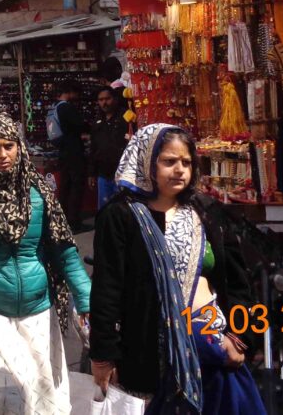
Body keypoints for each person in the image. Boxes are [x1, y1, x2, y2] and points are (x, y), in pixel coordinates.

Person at [90, 124, 264, 414]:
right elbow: (107, 289)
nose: (180, 170)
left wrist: (240, 338)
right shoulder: (121, 216)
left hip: (213, 346)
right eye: (169, 161)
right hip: (147, 353)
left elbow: (237, 280)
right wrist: (103, 356)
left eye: (186, 162)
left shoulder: (205, 211)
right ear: (147, 161)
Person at [0, 114, 92, 415]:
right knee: (6, 393)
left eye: (9, 146)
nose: (3, 154)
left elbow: (63, 249)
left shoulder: (39, 192)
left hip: (38, 307)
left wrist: (86, 298)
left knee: (44, 390)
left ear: (19, 147)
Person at [53, 82, 90, 232]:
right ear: (69, 92)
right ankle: (74, 222)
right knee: (76, 186)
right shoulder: (66, 107)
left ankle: (63, 221)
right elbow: (80, 125)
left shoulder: (55, 107)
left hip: (64, 151)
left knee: (65, 186)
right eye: (76, 94)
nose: (78, 97)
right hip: (73, 151)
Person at [89, 87, 129, 210]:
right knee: (105, 209)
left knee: (123, 209)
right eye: (101, 100)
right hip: (103, 173)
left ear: (115, 99)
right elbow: (94, 148)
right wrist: (91, 173)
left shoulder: (126, 118)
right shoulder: (97, 121)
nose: (104, 103)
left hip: (122, 173)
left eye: (107, 99)